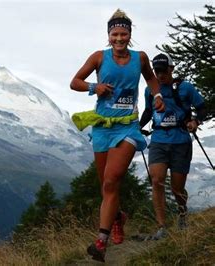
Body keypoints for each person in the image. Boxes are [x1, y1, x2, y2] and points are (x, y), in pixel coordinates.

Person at [70, 9, 165, 262]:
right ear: (108, 35)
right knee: (106, 186)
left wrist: (157, 96)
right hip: (102, 127)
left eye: (124, 34)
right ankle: (118, 218)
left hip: (127, 127)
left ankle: (101, 243)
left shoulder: (140, 58)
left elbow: (151, 79)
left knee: (112, 180)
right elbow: (75, 82)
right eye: (115, 34)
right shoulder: (99, 58)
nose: (119, 39)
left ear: (130, 34)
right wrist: (95, 86)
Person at [140, 53, 206, 239]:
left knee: (177, 188)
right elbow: (148, 111)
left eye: (163, 71)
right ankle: (162, 227)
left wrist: (195, 121)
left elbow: (202, 107)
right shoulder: (150, 90)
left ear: (171, 69)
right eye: (156, 71)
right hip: (159, 140)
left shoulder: (185, 88)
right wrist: (137, 127)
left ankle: (182, 212)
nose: (160, 75)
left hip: (181, 142)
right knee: (157, 181)